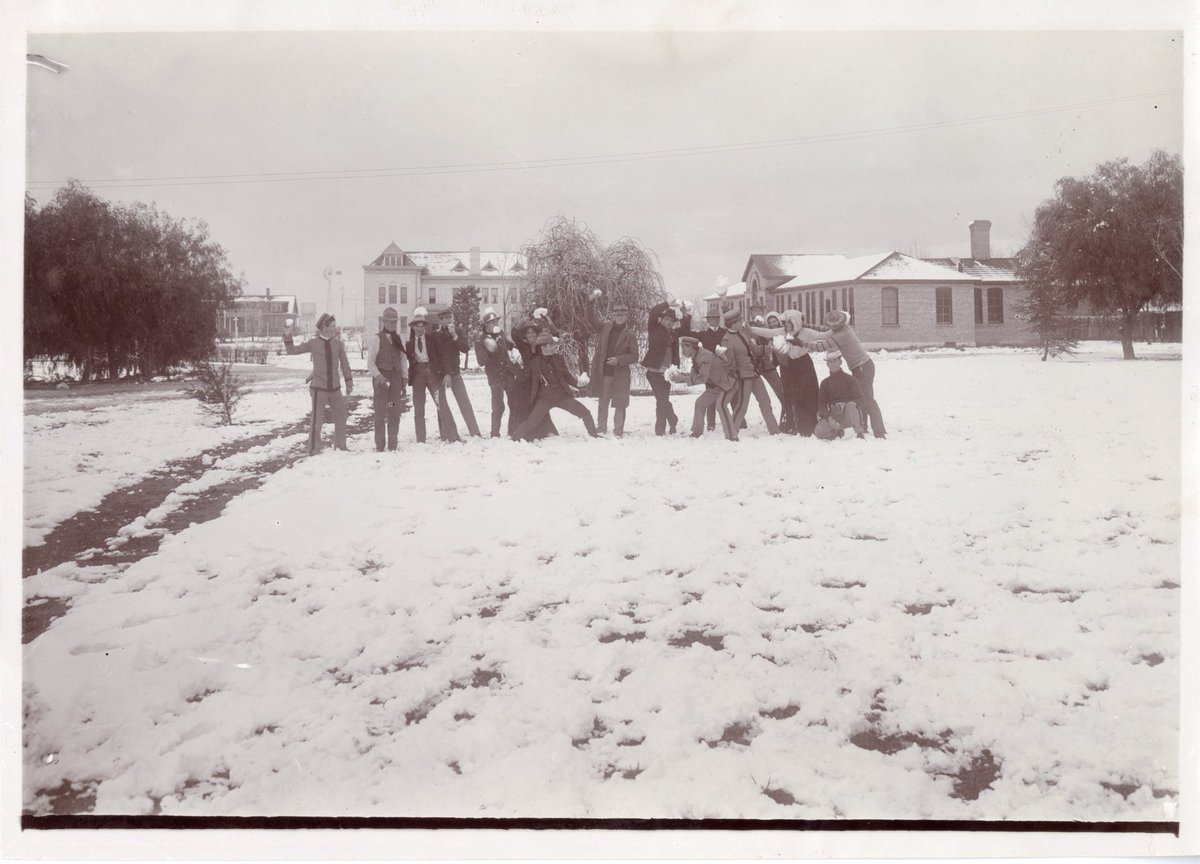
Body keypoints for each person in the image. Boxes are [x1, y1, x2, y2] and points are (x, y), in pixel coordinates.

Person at [804, 309, 886, 438]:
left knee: (868, 399)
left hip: (862, 367)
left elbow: (821, 347)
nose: (831, 328)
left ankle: (879, 431)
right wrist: (806, 326)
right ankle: (863, 427)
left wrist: (801, 343)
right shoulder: (843, 328)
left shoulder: (841, 335)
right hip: (862, 366)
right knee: (862, 397)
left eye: (833, 326)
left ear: (838, 325)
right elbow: (824, 331)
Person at [283, 312, 354, 454]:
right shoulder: (313, 343)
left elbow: (345, 364)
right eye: (332, 326)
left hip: (335, 388)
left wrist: (349, 381)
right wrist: (287, 335)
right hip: (318, 388)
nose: (335, 329)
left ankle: (341, 446)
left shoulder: (338, 344)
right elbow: (292, 351)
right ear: (324, 327)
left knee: (341, 416)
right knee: (317, 420)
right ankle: (314, 448)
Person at [511, 334, 599, 440]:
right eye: (551, 344)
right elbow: (522, 376)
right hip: (545, 398)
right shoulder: (534, 363)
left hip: (561, 396)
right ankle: (514, 439)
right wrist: (514, 364)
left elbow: (566, 375)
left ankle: (594, 435)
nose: (554, 347)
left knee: (585, 412)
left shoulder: (559, 358)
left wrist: (577, 384)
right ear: (543, 347)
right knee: (532, 422)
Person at [720, 305, 780, 435]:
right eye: (739, 320)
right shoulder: (726, 340)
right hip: (744, 378)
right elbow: (729, 364)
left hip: (755, 374)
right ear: (733, 323)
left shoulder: (742, 332)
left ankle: (774, 430)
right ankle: (731, 432)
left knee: (765, 402)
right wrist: (729, 363)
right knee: (742, 406)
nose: (742, 321)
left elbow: (753, 349)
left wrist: (768, 349)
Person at [405, 307, 460, 443]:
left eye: (422, 325)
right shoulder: (409, 344)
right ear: (413, 327)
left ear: (425, 327)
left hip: (433, 374)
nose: (419, 328)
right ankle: (421, 440)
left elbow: (443, 356)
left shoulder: (432, 339)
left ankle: (453, 436)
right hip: (418, 376)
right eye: (417, 325)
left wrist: (447, 373)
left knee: (442, 404)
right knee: (418, 408)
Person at [672, 336, 736, 440]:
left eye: (685, 347)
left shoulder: (704, 356)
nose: (682, 350)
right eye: (681, 346)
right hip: (716, 387)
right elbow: (692, 376)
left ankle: (732, 437)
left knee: (721, 406)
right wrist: (677, 377)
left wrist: (681, 378)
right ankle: (697, 432)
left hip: (727, 384)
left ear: (692, 347)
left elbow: (702, 378)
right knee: (700, 403)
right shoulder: (696, 357)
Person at [589, 302, 638, 437]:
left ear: (626, 316)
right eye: (617, 315)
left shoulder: (630, 335)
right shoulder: (605, 328)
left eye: (622, 315)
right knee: (603, 401)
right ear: (613, 316)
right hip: (605, 373)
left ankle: (618, 429)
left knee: (620, 403)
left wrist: (619, 360)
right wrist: (591, 302)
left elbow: (635, 356)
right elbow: (590, 319)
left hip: (621, 375)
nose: (619, 317)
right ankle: (601, 427)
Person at [432, 308, 482, 438]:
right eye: (446, 318)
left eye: (450, 318)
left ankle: (475, 432)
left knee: (464, 402)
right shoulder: (435, 335)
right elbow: (437, 357)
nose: (449, 320)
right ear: (440, 320)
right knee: (441, 404)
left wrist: (454, 336)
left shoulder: (457, 331)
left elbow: (465, 348)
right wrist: (445, 373)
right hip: (440, 374)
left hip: (455, 372)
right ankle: (445, 433)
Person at [679, 302, 729, 432]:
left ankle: (740, 424)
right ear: (708, 320)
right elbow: (685, 333)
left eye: (717, 318)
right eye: (712, 318)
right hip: (709, 370)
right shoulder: (703, 334)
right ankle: (711, 424)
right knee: (710, 397)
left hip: (727, 368)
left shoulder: (725, 332)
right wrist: (685, 315)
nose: (715, 320)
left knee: (732, 397)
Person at [366, 307, 409, 452]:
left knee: (393, 410)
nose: (392, 324)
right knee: (380, 412)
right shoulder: (376, 339)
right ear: (383, 322)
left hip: (395, 383)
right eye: (389, 321)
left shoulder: (400, 339)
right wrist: (379, 377)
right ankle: (380, 445)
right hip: (381, 383)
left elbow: (403, 360)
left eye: (394, 321)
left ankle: (392, 443)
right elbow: (370, 363)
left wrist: (404, 378)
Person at [475, 308, 519, 437]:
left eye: (496, 321)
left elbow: (509, 345)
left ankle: (512, 431)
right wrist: (490, 350)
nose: (495, 324)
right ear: (485, 325)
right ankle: (494, 433)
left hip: (508, 374)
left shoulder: (501, 334)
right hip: (495, 377)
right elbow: (481, 361)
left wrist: (515, 347)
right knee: (498, 407)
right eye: (492, 322)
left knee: (514, 403)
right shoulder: (481, 340)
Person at [641, 299, 681, 435]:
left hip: (667, 373)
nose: (669, 322)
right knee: (662, 399)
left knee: (662, 401)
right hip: (653, 372)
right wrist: (666, 304)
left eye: (671, 320)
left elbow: (676, 354)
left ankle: (661, 428)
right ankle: (672, 419)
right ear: (661, 319)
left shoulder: (674, 335)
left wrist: (676, 370)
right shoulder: (654, 329)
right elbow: (653, 312)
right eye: (666, 319)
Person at [814, 350, 867, 440]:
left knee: (850, 406)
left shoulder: (850, 379)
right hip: (835, 414)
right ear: (827, 364)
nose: (833, 364)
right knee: (819, 432)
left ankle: (859, 433)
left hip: (849, 414)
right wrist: (829, 418)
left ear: (840, 362)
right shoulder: (825, 383)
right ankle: (838, 432)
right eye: (830, 362)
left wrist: (851, 403)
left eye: (835, 361)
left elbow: (861, 399)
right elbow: (822, 404)